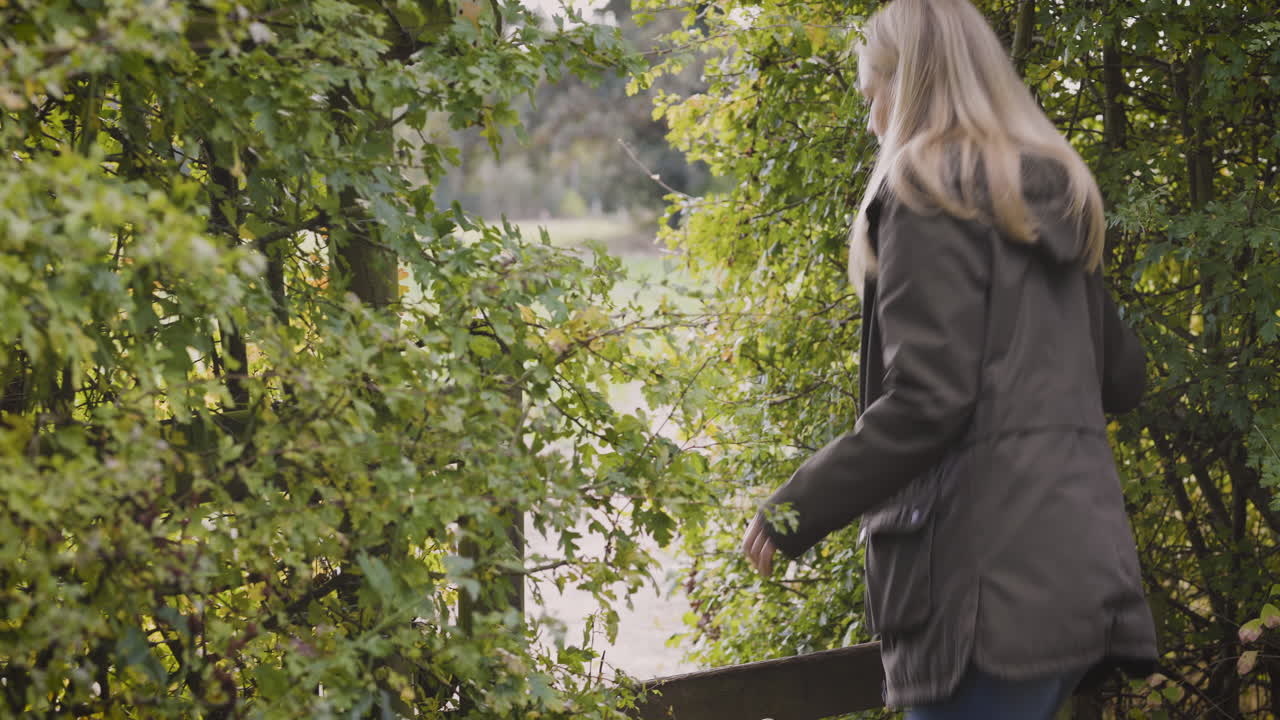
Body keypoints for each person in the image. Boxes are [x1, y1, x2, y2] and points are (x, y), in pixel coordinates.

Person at [739, 0, 1159, 718]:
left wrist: (796, 506)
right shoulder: (1057, 192)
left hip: (985, 602)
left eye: (873, 98)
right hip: (1078, 579)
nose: (872, 122)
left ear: (908, 85)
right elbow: (1123, 376)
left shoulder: (925, 190)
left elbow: (928, 400)